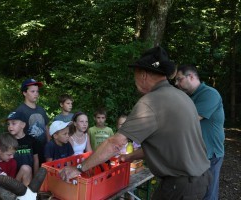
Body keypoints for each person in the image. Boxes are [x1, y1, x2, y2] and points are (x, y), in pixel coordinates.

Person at [59, 46, 211, 200]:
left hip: (180, 187)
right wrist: (130, 156)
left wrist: (79, 168)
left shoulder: (151, 102)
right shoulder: (183, 97)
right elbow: (167, 145)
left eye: (135, 74)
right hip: (201, 180)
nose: (134, 79)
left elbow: (115, 143)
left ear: (143, 74)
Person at [175, 64, 225, 200]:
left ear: (190, 76)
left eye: (179, 79)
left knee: (208, 194)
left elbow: (187, 120)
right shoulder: (188, 97)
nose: (176, 83)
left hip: (210, 154)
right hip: (195, 153)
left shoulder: (210, 94)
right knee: (192, 191)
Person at [15, 78, 50, 165]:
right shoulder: (20, 111)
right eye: (32, 91)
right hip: (29, 151)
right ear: (24, 93)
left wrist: (49, 144)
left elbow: (46, 127)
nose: (36, 94)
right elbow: (16, 133)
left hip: (43, 149)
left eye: (37, 91)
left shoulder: (41, 109)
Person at [7, 111, 40, 186]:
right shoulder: (7, 141)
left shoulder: (31, 140)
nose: (10, 126)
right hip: (13, 178)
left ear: (23, 125)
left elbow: (36, 160)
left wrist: (36, 178)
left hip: (28, 176)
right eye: (8, 124)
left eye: (13, 123)